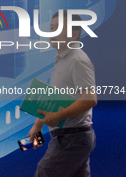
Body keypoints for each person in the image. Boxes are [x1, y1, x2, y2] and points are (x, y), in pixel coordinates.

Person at [28, 10, 97, 177]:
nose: (52, 32)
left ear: (74, 33)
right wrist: (39, 124)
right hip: (70, 137)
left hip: (72, 139)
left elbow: (90, 99)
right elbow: (56, 100)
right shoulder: (62, 59)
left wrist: (58, 116)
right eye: (51, 27)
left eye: (59, 28)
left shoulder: (77, 60)